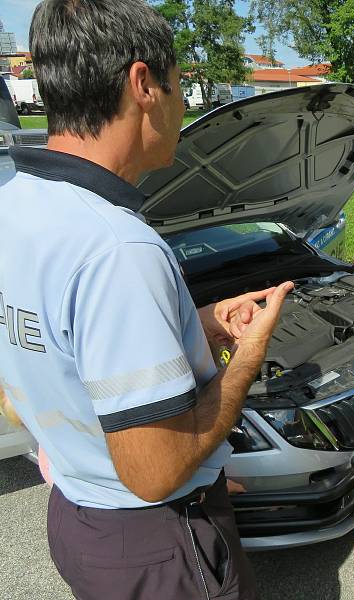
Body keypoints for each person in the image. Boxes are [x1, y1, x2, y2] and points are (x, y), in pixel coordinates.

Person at [0, 2, 292, 598]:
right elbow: (156, 471)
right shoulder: (117, 247)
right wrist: (246, 360)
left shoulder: (15, 200)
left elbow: (31, 369)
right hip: (157, 547)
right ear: (143, 85)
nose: (184, 103)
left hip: (78, 518)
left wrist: (195, 325)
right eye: (180, 82)